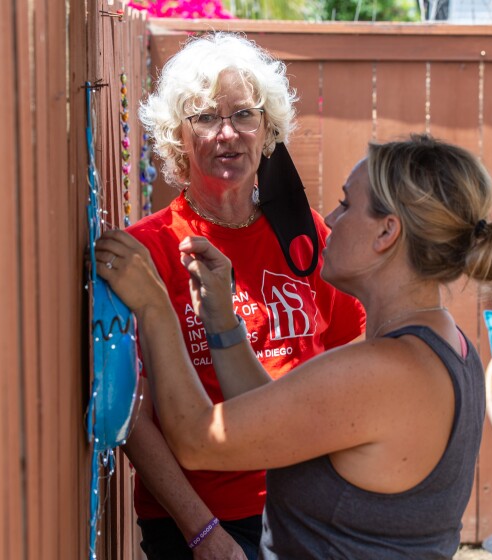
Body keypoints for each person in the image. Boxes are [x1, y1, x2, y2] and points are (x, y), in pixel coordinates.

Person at [96, 135, 492, 559]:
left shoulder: (381, 372)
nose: (331, 217)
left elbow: (197, 439)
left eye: (346, 204)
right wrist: (222, 322)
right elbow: (274, 412)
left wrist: (153, 306)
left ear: (386, 232)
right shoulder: (446, 348)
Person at [120, 32, 366, 559]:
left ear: (268, 129)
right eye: (206, 118)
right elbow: (133, 414)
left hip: (311, 508)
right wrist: (203, 534)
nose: (228, 134)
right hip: (207, 522)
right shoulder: (152, 250)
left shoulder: (306, 238)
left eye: (244, 116)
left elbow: (352, 354)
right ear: (176, 138)